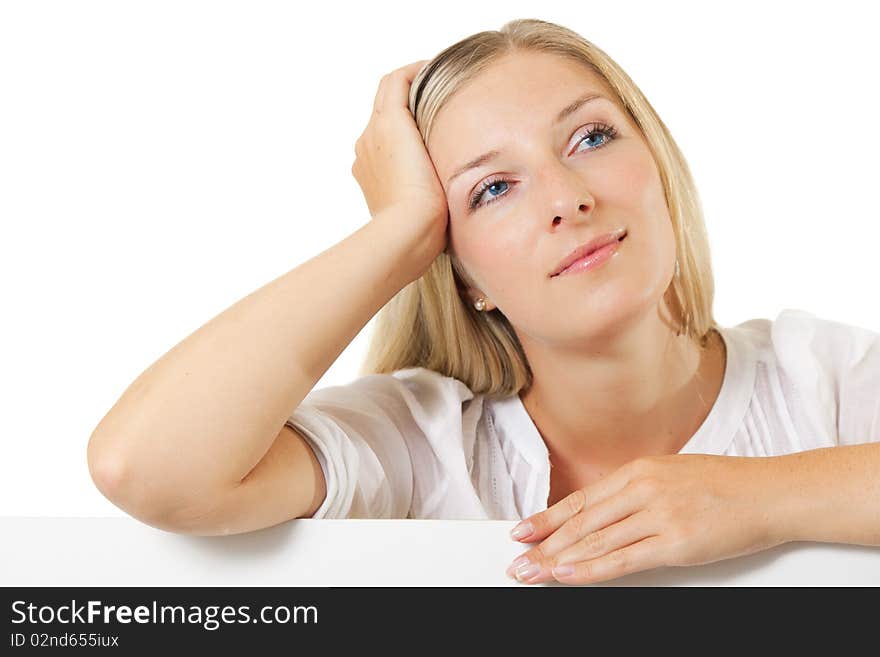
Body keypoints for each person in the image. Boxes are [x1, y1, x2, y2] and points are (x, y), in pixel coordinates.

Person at [87, 18, 880, 586]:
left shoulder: (824, 377)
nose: (567, 199)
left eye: (591, 138)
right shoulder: (421, 445)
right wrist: (396, 233)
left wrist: (756, 498)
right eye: (493, 188)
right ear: (459, 270)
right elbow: (146, 469)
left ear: (658, 163)